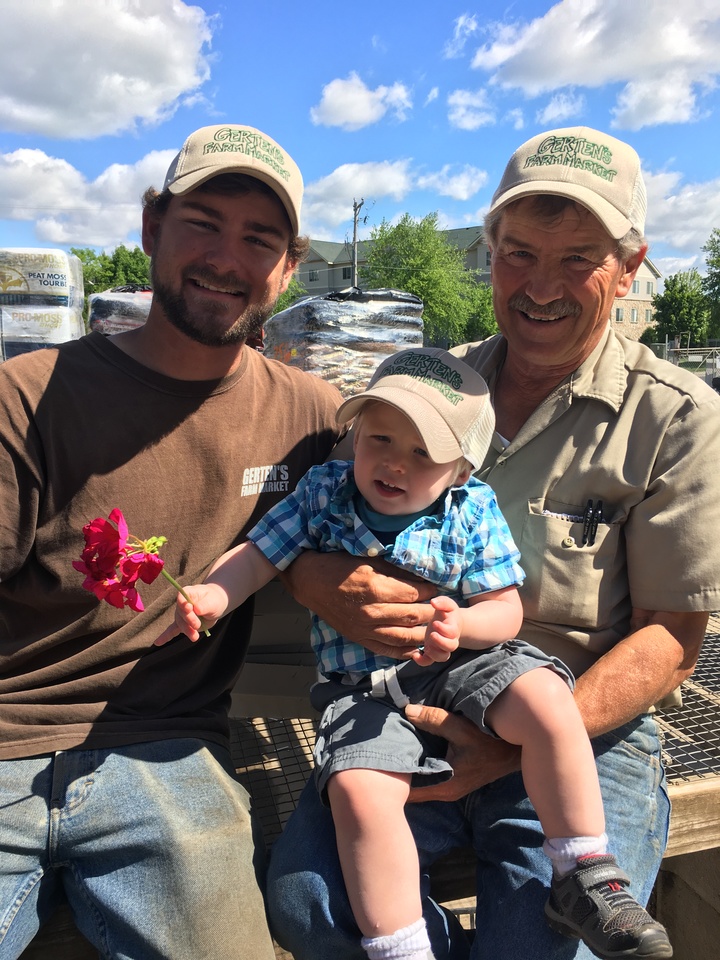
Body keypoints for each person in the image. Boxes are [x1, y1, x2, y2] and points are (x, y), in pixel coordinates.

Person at [266, 126, 720, 960]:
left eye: (577, 258)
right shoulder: (432, 384)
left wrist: (519, 743)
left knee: (548, 947)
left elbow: (673, 641)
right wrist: (315, 579)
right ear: (491, 250)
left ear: (630, 267)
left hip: (583, 726)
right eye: (518, 254)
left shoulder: (676, 418)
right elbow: (319, 515)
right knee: (312, 908)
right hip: (406, 703)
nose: (540, 287)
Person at [161, 346, 671, 960]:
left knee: (547, 699)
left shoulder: (472, 507)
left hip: (465, 664)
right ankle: (401, 944)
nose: (395, 463)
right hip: (366, 689)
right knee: (358, 790)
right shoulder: (323, 493)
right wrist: (215, 594)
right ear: (356, 436)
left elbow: (506, 609)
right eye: (379, 439)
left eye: (424, 452)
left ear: (461, 469)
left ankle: (584, 870)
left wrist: (465, 624)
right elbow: (260, 553)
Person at [0, 124, 343, 960]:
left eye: (259, 238)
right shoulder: (28, 394)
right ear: (153, 227)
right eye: (203, 223)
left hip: (168, 752)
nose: (226, 258)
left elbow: (411, 515)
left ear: (288, 267)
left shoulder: (314, 417)